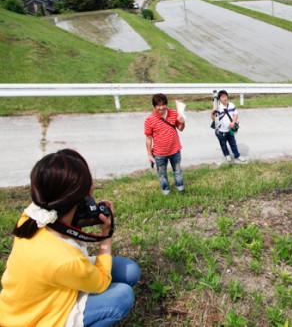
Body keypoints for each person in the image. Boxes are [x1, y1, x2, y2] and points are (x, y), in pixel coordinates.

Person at [0, 149, 140, 327]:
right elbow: (101, 282)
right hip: (38, 319)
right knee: (123, 295)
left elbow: (64, 227)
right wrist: (106, 234)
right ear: (81, 195)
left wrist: (87, 213)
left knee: (130, 270)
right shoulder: (65, 260)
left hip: (21, 305)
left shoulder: (32, 215)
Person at [145, 93, 186, 195]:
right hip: (159, 153)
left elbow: (180, 129)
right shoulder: (149, 120)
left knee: (177, 170)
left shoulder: (173, 113)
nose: (161, 108)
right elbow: (148, 138)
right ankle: (166, 190)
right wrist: (149, 155)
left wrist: (183, 122)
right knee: (162, 174)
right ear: (154, 106)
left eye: (163, 104)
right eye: (158, 105)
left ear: (166, 104)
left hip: (175, 150)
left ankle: (180, 187)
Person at [211, 90, 247, 163]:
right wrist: (213, 110)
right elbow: (213, 118)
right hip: (220, 131)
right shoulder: (218, 107)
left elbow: (236, 114)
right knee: (223, 144)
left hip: (230, 129)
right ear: (219, 99)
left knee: (233, 143)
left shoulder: (231, 105)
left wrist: (233, 122)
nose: (224, 98)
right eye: (222, 97)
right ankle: (227, 155)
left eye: (225, 96)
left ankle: (237, 155)